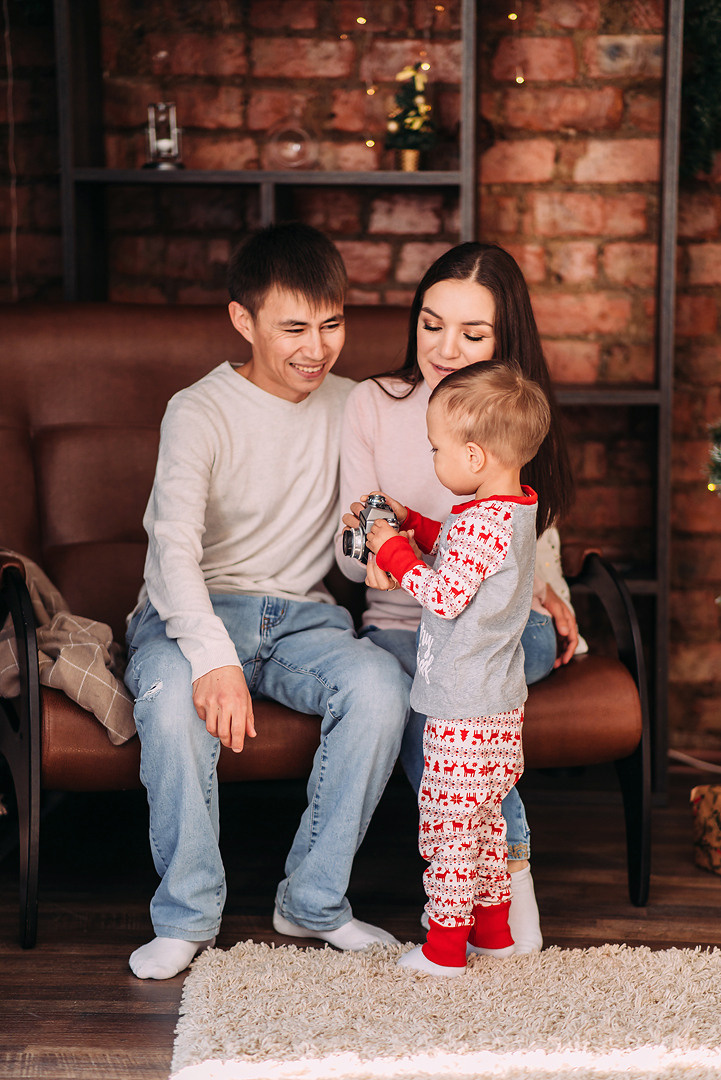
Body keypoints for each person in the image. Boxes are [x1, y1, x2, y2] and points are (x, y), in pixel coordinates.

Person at [123, 222, 410, 980]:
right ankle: (186, 914)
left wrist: (376, 544)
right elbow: (171, 550)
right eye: (293, 328)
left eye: (331, 324)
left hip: (303, 617)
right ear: (242, 321)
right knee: (167, 699)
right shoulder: (198, 410)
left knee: (382, 688)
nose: (316, 348)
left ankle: (313, 903)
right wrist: (211, 655)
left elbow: (379, 514)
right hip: (192, 611)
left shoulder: (357, 405)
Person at [336, 242, 584, 955]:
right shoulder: (372, 404)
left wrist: (546, 586)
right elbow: (351, 545)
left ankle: (460, 915)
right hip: (405, 624)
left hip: (489, 630)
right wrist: (377, 550)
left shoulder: (511, 410)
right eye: (430, 324)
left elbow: (529, 542)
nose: (445, 348)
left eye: (472, 335)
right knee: (449, 713)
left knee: (454, 704)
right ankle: (508, 875)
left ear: (505, 342)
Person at [365, 360, 551, 977]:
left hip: (461, 710)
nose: (433, 459)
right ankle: (494, 936)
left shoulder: (479, 526)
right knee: (485, 826)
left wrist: (391, 548)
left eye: (437, 448)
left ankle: (443, 951)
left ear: (474, 457)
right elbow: (459, 541)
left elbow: (445, 592)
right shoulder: (513, 513)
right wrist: (414, 524)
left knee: (448, 833)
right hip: (499, 709)